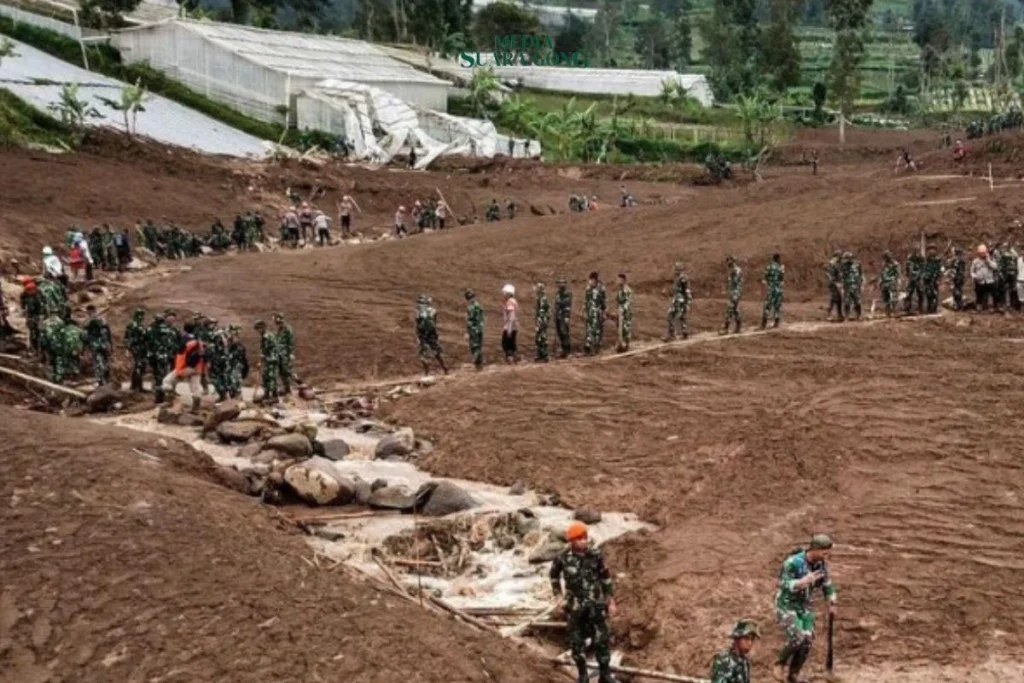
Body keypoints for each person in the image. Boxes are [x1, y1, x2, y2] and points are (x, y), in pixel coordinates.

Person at [550, 522, 617, 683]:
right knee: (577, 641)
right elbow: (553, 576)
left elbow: (605, 577)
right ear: (572, 541)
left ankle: (605, 674)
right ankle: (582, 674)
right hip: (575, 606)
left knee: (602, 639)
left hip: (596, 604)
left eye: (585, 538)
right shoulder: (563, 557)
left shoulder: (595, 554)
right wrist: (558, 595)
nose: (583, 541)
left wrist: (611, 600)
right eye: (579, 539)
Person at [773, 534, 837, 683]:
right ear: (814, 549)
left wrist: (832, 601)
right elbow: (784, 584)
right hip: (787, 604)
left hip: (804, 606)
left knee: (807, 640)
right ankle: (780, 663)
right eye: (824, 552)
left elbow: (827, 584)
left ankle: (793, 673)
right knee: (797, 637)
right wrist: (803, 581)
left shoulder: (821, 565)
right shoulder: (793, 563)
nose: (826, 556)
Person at [161, 323, 206, 413]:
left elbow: (181, 352)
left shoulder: (185, 340)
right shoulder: (198, 341)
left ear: (184, 330)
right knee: (195, 388)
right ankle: (196, 409)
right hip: (197, 368)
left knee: (167, 382)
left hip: (185, 367)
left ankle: (172, 401)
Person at [415, 294, 448, 375]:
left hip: (424, 335)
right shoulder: (432, 311)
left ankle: (426, 373)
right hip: (431, 335)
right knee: (437, 352)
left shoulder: (420, 313)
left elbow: (418, 324)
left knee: (423, 354)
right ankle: (445, 369)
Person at [83, 304, 113, 386]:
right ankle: (107, 379)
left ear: (88, 311)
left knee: (97, 363)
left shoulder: (87, 322)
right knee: (106, 361)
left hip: (95, 345)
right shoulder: (103, 320)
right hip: (104, 344)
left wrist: (85, 347)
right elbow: (108, 333)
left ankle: (100, 381)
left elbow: (85, 336)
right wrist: (110, 344)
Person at [665, 262, 692, 341]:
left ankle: (671, 334)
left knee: (670, 315)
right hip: (679, 299)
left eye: (677, 269)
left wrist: (688, 302)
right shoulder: (679, 278)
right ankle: (684, 331)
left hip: (680, 300)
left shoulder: (682, 278)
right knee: (682, 316)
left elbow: (687, 290)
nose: (675, 271)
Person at [254, 320, 279, 404]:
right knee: (266, 377)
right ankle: (267, 394)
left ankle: (274, 397)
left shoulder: (267, 337)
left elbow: (265, 351)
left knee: (271, 377)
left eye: (258, 329)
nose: (257, 331)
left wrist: (260, 362)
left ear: (262, 328)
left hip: (271, 359)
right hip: (269, 359)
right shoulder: (266, 335)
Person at [124, 309, 148, 391]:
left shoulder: (131, 325)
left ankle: (134, 385)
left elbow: (126, 337)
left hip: (135, 348)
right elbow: (143, 336)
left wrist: (128, 348)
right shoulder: (137, 325)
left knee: (138, 366)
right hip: (139, 348)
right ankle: (139, 386)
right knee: (140, 366)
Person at [583, 272, 606, 355]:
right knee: (589, 329)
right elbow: (586, 301)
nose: (590, 282)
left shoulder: (601, 288)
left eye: (592, 280)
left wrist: (603, 312)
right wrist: (585, 311)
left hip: (598, 312)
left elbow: (604, 302)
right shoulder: (588, 288)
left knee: (597, 330)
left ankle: (596, 348)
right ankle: (588, 346)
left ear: (595, 280)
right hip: (590, 312)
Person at [761, 253, 785, 329]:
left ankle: (764, 323)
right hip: (778, 289)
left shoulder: (769, 267)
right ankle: (776, 322)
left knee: (767, 306)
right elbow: (782, 279)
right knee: (777, 306)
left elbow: (765, 279)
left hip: (771, 289)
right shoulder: (781, 268)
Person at [972, 244, 998, 311]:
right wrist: (975, 277)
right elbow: (972, 271)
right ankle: (979, 307)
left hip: (989, 280)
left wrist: (988, 260)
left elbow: (995, 267)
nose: (982, 254)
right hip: (980, 281)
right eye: (981, 253)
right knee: (979, 294)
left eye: (984, 253)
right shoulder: (975, 261)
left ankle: (991, 307)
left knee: (993, 294)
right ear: (978, 253)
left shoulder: (991, 259)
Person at [274, 313, 295, 395]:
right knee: (281, 371)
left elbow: (290, 342)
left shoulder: (287, 329)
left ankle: (288, 389)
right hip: (279, 354)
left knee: (286, 371)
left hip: (285, 354)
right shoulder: (279, 330)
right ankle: (285, 389)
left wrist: (290, 353)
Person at [20, 278, 43, 353]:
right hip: (30, 314)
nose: (30, 291)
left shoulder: (39, 294)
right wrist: (24, 312)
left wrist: (40, 318)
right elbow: (23, 305)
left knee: (38, 332)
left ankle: (39, 349)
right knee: (32, 332)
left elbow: (42, 307)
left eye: (32, 289)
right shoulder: (24, 294)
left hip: (38, 315)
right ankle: (33, 348)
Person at [226, 325, 249, 399]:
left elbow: (239, 354)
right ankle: (233, 397)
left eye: (231, 331)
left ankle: (238, 397)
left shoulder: (237, 342)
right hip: (231, 364)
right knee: (230, 382)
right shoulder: (229, 340)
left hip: (237, 364)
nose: (229, 332)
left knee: (235, 381)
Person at [722, 256, 742, 334]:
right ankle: (738, 326)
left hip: (736, 292)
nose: (728, 264)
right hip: (733, 292)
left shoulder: (736, 270)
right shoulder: (732, 271)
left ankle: (725, 328)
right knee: (735, 310)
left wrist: (732, 273)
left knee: (730, 309)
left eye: (729, 262)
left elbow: (735, 281)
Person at [465, 289, 484, 370]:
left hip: (473, 329)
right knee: (479, 346)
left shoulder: (470, 308)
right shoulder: (479, 306)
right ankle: (480, 366)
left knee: (474, 347)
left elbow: (470, 321)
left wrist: (467, 332)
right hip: (480, 328)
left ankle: (476, 362)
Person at [614, 272, 633, 352]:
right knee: (619, 328)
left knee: (626, 328)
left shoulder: (627, 290)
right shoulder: (619, 290)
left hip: (626, 313)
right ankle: (620, 343)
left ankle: (626, 345)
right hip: (620, 312)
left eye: (619, 279)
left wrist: (622, 310)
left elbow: (628, 303)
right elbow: (618, 301)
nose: (617, 281)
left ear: (623, 280)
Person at [999, 241, 1020, 311]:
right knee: (1004, 289)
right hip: (1006, 273)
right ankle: (1005, 304)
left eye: (1007, 246)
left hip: (1013, 273)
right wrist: (1001, 273)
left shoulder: (1014, 253)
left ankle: (1012, 305)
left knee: (1013, 290)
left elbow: (1016, 261)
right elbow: (1001, 264)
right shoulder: (1004, 254)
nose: (1006, 247)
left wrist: (1016, 272)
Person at [841, 252, 863, 321]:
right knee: (847, 302)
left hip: (856, 285)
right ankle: (846, 316)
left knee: (857, 301)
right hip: (847, 286)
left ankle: (859, 316)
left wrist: (861, 284)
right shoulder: (843, 266)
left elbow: (861, 274)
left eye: (848, 258)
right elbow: (841, 275)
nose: (847, 260)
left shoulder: (857, 264)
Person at [922, 245, 944, 314]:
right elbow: (924, 269)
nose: (931, 251)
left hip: (934, 280)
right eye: (930, 249)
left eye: (933, 249)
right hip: (927, 279)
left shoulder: (938, 260)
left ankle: (933, 309)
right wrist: (924, 276)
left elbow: (940, 270)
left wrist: (938, 279)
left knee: (934, 294)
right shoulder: (926, 260)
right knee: (928, 294)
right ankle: (929, 308)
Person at [879, 251, 901, 318]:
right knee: (885, 299)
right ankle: (887, 313)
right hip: (884, 283)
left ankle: (894, 312)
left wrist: (895, 282)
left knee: (894, 299)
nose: (886, 258)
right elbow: (882, 273)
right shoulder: (884, 264)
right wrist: (880, 281)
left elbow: (897, 274)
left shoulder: (895, 264)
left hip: (892, 283)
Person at [555, 277, 572, 358]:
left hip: (564, 315)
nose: (560, 284)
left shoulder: (567, 293)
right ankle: (563, 349)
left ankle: (567, 350)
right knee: (560, 332)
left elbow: (565, 304)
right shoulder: (558, 293)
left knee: (564, 332)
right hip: (558, 315)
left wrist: (566, 316)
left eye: (561, 283)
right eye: (559, 283)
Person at [501, 284, 519, 363]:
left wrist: (509, 329)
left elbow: (511, 316)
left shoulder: (509, 302)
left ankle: (510, 359)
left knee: (506, 344)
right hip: (514, 326)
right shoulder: (514, 301)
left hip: (510, 326)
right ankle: (514, 358)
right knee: (512, 343)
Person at [903, 251, 925, 315]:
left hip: (918, 279)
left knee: (920, 293)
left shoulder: (921, 260)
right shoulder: (910, 260)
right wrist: (909, 277)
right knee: (908, 294)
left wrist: (919, 276)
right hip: (911, 279)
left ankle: (921, 309)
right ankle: (907, 309)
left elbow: (922, 269)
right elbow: (907, 270)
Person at [534, 281, 550, 362]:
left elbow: (542, 312)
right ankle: (540, 354)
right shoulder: (540, 298)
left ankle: (544, 355)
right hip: (541, 320)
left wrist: (539, 323)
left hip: (542, 321)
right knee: (539, 338)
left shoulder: (543, 299)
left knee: (542, 337)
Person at [826, 251, 844, 322]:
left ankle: (840, 314)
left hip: (839, 283)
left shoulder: (838, 264)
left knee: (839, 299)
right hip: (834, 284)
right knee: (834, 298)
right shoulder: (832, 264)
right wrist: (835, 283)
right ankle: (829, 314)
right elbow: (829, 275)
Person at [947, 246, 967, 311]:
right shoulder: (953, 260)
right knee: (955, 292)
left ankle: (959, 305)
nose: (959, 255)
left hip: (959, 278)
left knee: (958, 292)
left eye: (959, 253)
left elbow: (963, 270)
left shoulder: (961, 261)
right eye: (958, 253)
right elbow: (950, 268)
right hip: (954, 277)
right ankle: (957, 304)